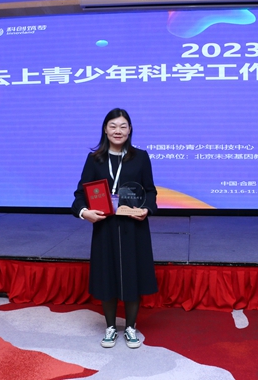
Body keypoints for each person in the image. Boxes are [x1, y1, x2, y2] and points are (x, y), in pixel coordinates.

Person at [72, 108, 158, 349]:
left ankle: (130, 327)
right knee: (106, 276)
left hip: (134, 227)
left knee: (133, 275)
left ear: (130, 130)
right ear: (105, 129)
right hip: (105, 227)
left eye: (123, 126)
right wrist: (84, 212)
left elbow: (150, 191)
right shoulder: (94, 159)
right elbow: (80, 194)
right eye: (113, 126)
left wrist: (146, 209)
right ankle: (110, 327)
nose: (118, 131)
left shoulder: (140, 157)